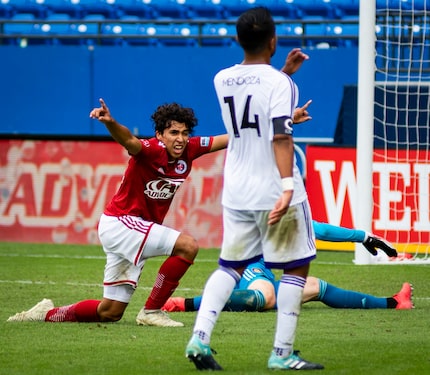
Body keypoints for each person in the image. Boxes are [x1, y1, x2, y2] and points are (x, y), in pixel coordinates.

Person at [7, 99, 228, 327]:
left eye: (184, 132)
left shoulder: (190, 148)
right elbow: (129, 140)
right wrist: (110, 122)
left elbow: (227, 139)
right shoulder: (151, 150)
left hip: (130, 229)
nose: (180, 139)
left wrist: (256, 130)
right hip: (122, 223)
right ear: (159, 135)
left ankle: (46, 313)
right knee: (188, 246)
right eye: (173, 132)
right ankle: (152, 311)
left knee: (110, 312)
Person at [185, 7, 324, 371]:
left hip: (236, 189)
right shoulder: (282, 85)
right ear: (274, 41)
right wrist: (287, 186)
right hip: (272, 187)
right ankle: (282, 354)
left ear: (238, 39)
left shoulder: (221, 78)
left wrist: (283, 74)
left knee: (230, 266)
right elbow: (279, 134)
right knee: (297, 267)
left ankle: (199, 337)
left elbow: (254, 103)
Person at [162, 221, 412, 313]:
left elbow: (319, 229)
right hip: (244, 268)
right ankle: (186, 304)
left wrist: (364, 236)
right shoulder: (258, 211)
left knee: (316, 286)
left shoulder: (284, 212)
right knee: (265, 295)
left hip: (263, 272)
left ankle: (394, 302)